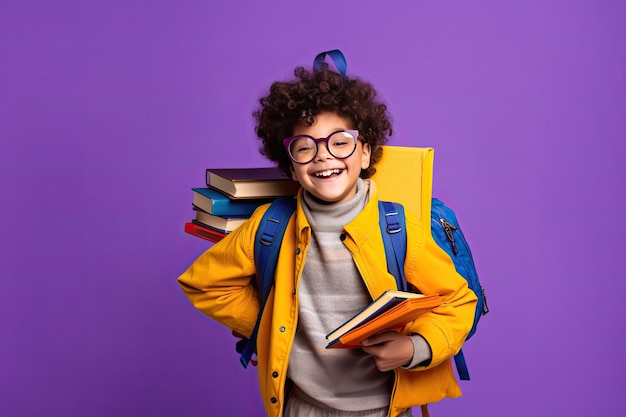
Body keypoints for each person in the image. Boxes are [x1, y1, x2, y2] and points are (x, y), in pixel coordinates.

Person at [177, 64, 477, 417]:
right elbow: (204, 284)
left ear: (365, 153)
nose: (323, 155)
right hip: (301, 408)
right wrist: (272, 324)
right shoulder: (270, 225)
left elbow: (456, 302)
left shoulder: (398, 228)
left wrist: (416, 347)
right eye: (304, 147)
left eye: (340, 142)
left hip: (385, 409)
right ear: (290, 166)